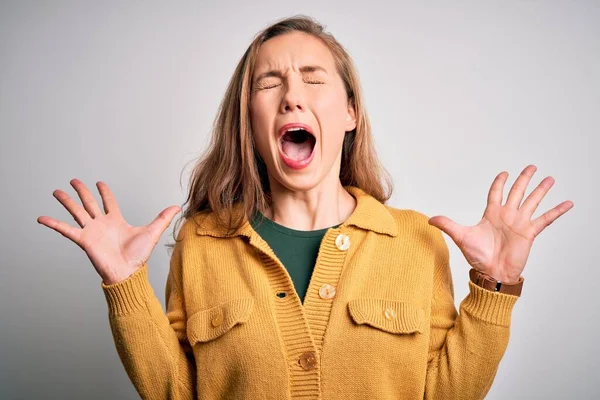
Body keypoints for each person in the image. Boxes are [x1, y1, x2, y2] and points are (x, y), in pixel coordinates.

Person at [37, 15, 574, 400]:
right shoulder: (202, 242)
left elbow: (446, 395)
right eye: (269, 83)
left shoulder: (416, 241)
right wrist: (125, 283)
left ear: (349, 112)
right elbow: (177, 391)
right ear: (249, 119)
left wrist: (494, 286)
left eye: (314, 80)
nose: (292, 95)